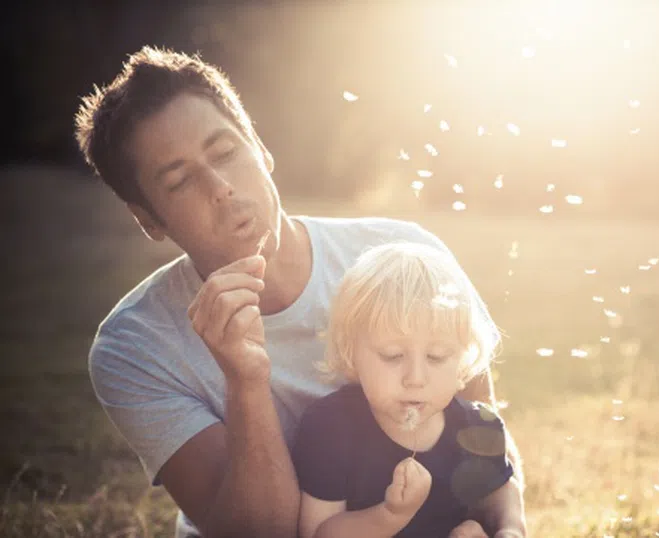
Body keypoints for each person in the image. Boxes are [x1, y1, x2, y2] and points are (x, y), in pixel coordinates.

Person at [74, 46, 526, 538]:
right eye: (181, 181)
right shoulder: (134, 346)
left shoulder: (407, 256)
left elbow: (480, 437)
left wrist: (509, 529)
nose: (220, 187)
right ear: (149, 220)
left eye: (226, 153)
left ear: (261, 149)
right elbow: (255, 532)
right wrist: (245, 382)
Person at [293, 241, 520, 538]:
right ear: (351, 352)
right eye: (392, 355)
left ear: (462, 359)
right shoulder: (331, 428)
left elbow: (503, 494)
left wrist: (511, 529)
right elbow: (315, 532)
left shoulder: (478, 429)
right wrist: (388, 516)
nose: (415, 378)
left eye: (436, 357)